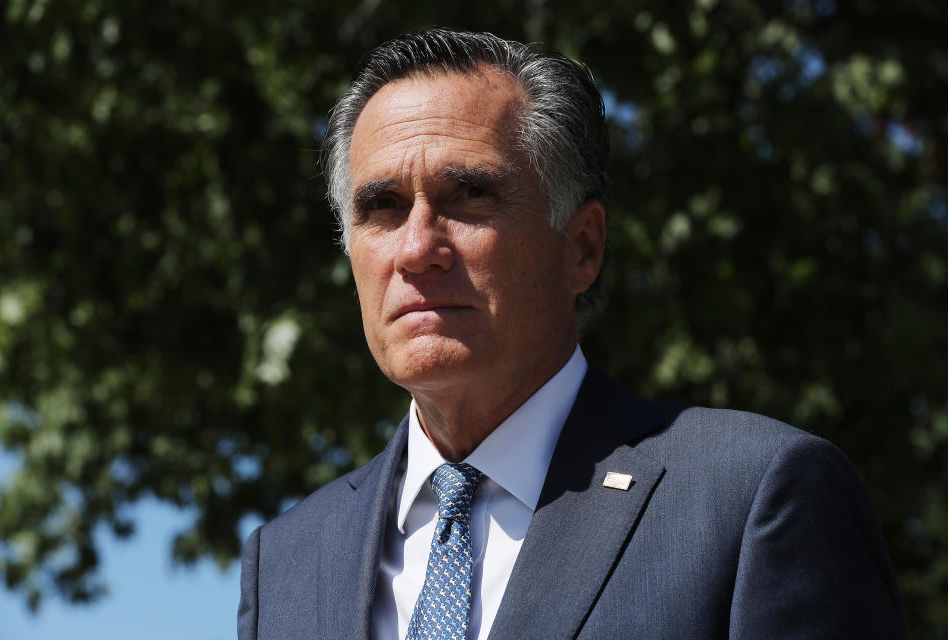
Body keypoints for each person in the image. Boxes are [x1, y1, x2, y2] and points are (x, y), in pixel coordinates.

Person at [238, 29, 905, 639]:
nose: (417, 248)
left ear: (582, 247)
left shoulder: (753, 499)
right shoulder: (288, 563)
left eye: (469, 196)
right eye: (382, 207)